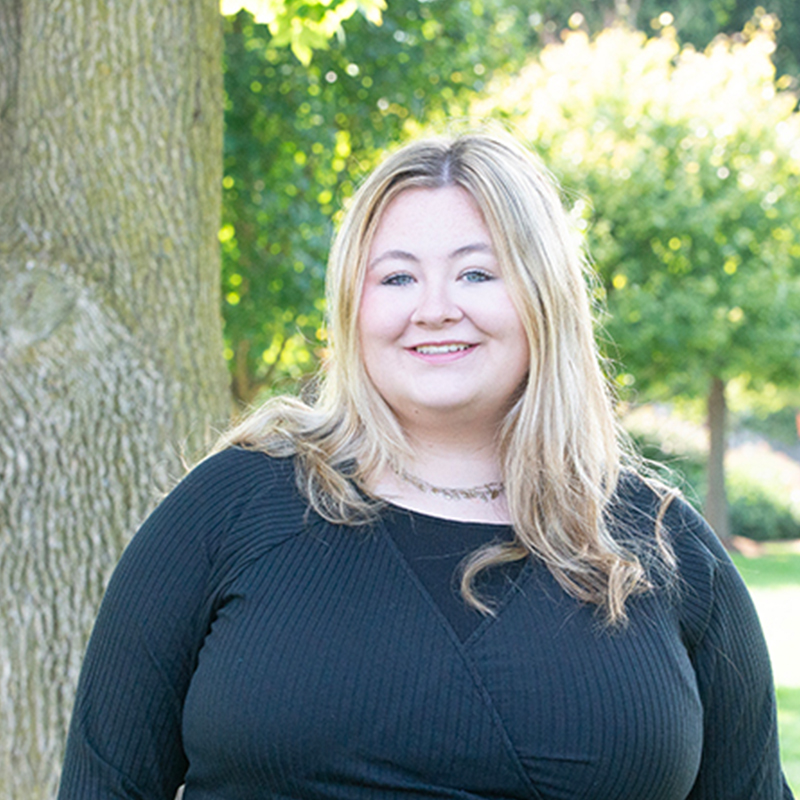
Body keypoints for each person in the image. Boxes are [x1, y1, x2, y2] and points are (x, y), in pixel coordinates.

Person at [58, 130, 794, 800]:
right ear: (352, 305)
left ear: (546, 299)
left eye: (478, 274)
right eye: (397, 278)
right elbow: (104, 784)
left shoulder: (662, 552)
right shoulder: (228, 510)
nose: (435, 308)